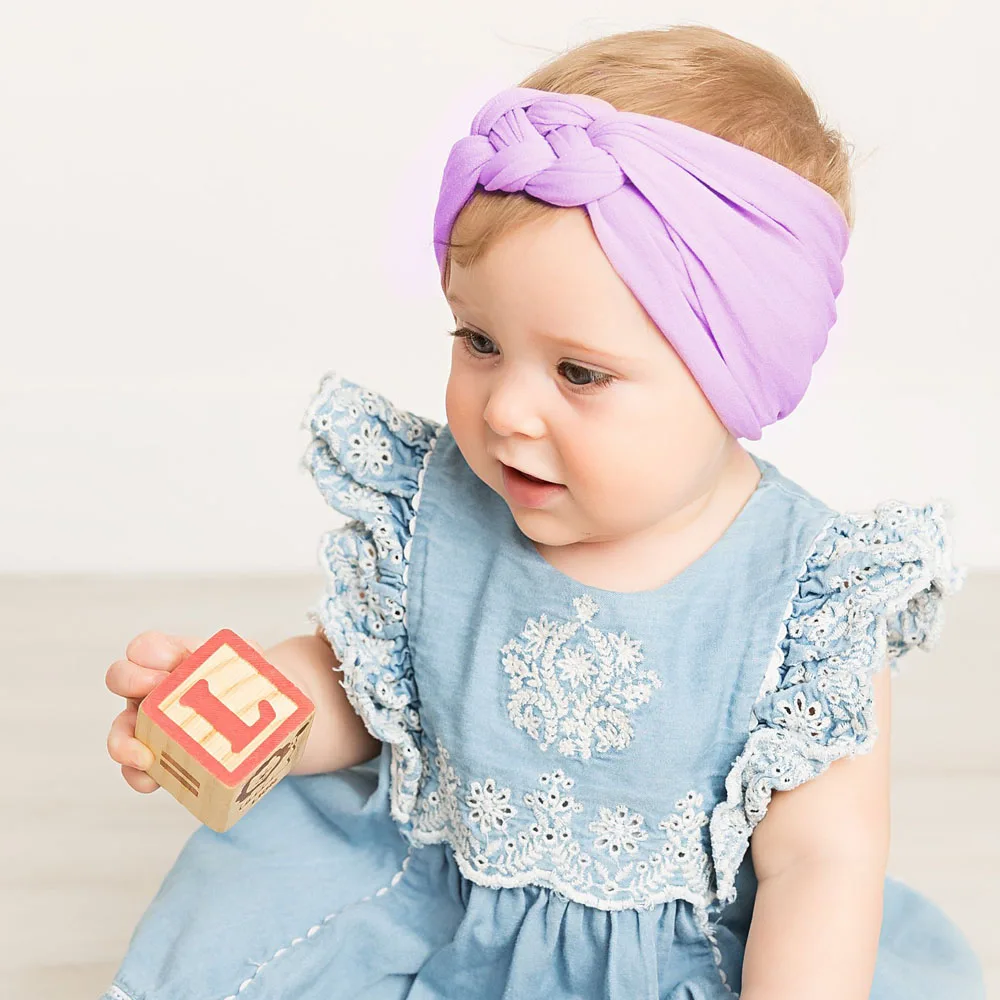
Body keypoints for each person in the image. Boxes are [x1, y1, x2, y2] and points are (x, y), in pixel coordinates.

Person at [101, 25, 986, 1000]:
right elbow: (364, 695)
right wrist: (242, 707)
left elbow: (820, 864)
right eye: (479, 341)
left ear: (735, 379)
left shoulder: (804, 601)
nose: (506, 412)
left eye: (578, 372)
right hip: (421, 900)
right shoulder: (437, 507)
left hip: (665, 961)